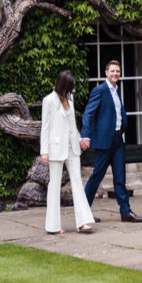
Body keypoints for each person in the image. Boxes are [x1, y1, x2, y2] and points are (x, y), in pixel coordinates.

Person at [82, 58, 142, 222]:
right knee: (96, 177)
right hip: (104, 142)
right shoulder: (100, 90)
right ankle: (83, 212)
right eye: (112, 71)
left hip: (118, 141)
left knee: (120, 178)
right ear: (106, 73)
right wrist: (86, 135)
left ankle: (125, 211)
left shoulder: (116, 90)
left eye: (118, 71)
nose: (115, 73)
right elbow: (88, 113)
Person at [40, 70, 95, 235]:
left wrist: (80, 139)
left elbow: (72, 125)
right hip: (55, 148)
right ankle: (53, 226)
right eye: (70, 87)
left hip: (72, 148)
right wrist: (44, 151)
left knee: (77, 182)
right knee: (54, 185)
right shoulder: (48, 101)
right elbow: (45, 127)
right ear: (63, 84)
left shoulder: (70, 99)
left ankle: (83, 222)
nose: (72, 90)